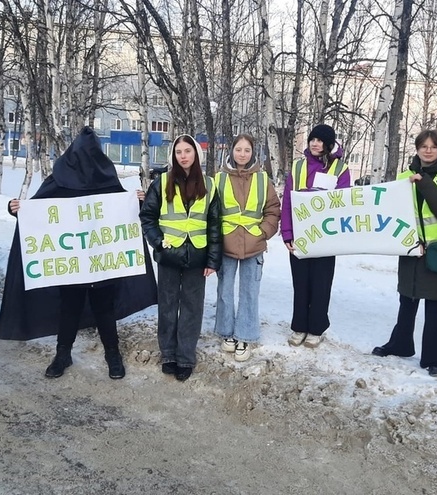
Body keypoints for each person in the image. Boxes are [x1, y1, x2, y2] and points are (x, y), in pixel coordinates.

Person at [0, 127, 157, 380]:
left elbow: (119, 211)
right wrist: (16, 209)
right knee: (69, 308)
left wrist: (135, 201)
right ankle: (63, 354)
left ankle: (112, 354)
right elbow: (39, 209)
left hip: (102, 261)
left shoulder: (106, 180)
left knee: (104, 308)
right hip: (71, 264)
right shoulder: (58, 181)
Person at [372, 129, 437, 376]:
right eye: (424, 146)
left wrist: (425, 183)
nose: (428, 150)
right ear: (417, 148)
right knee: (407, 298)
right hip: (410, 247)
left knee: (435, 304)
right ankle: (401, 343)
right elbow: (392, 210)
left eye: (434, 146)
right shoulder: (404, 176)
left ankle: (436, 358)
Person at [139, 134, 222, 381]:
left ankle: (185, 357)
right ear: (173, 156)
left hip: (197, 256)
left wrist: (212, 260)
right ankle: (168, 354)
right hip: (169, 256)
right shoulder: (162, 182)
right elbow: (148, 217)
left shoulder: (209, 184)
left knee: (192, 308)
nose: (183, 156)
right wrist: (158, 244)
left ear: (196, 154)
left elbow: (215, 224)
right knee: (167, 306)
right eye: (178, 152)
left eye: (188, 151)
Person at [281, 123, 350, 348]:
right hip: (301, 235)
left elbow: (344, 203)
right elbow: (288, 202)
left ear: (329, 144)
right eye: (312, 139)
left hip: (326, 237)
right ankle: (299, 326)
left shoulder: (340, 169)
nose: (315, 143)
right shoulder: (298, 166)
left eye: (320, 140)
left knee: (321, 283)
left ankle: (316, 328)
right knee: (300, 283)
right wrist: (287, 233)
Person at [214, 134, 281, 362]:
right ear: (231, 151)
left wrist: (263, 233)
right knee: (225, 290)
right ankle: (226, 332)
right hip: (226, 243)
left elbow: (273, 209)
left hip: (254, 244)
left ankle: (245, 334)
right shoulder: (219, 179)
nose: (242, 154)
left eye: (247, 150)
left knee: (249, 291)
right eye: (238, 149)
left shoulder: (263, 180)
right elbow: (211, 210)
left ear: (254, 153)